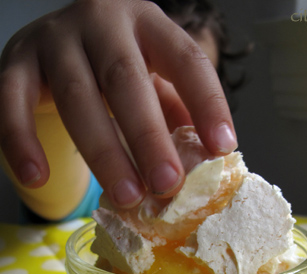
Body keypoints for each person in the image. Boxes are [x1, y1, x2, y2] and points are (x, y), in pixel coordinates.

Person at [0, 0, 245, 222]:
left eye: (190, 83)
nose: (165, 98)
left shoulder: (218, 192)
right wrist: (45, 107)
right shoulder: (94, 183)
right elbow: (56, 199)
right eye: (147, 72)